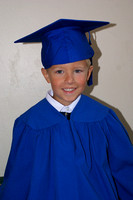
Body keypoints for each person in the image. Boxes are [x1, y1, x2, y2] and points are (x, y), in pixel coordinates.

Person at [0, 19, 133, 200]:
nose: (69, 80)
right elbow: (17, 181)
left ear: (89, 73)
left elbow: (125, 172)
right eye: (59, 71)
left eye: (78, 71)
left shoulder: (104, 118)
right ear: (46, 75)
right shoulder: (29, 124)